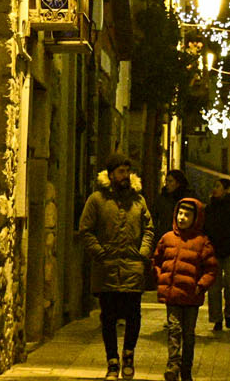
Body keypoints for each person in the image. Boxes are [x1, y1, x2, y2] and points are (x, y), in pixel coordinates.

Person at [78, 153, 155, 379]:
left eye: (127, 171)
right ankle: (112, 361)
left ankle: (128, 354)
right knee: (108, 317)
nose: (125, 176)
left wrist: (143, 252)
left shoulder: (138, 201)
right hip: (107, 268)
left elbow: (148, 228)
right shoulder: (97, 200)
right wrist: (99, 253)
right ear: (110, 174)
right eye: (121, 171)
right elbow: (85, 230)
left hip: (133, 267)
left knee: (133, 315)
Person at [153, 197, 218, 381]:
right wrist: (160, 277)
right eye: (180, 214)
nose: (182, 218)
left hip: (191, 297)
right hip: (172, 295)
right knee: (174, 329)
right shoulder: (167, 238)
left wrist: (200, 286)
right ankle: (173, 365)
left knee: (188, 334)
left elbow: (211, 269)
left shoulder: (202, 242)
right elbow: (156, 260)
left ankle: (186, 369)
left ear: (195, 218)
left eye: (187, 215)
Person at [202, 177, 230, 331]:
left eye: (218, 186)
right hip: (213, 251)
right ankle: (216, 319)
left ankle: (229, 314)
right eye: (214, 186)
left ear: (227, 189)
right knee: (214, 287)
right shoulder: (210, 208)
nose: (215, 189)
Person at [150, 168, 196, 239]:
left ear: (178, 183)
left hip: (184, 236)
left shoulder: (187, 199)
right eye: (166, 181)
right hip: (165, 235)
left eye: (170, 181)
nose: (167, 184)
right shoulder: (162, 198)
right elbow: (154, 216)